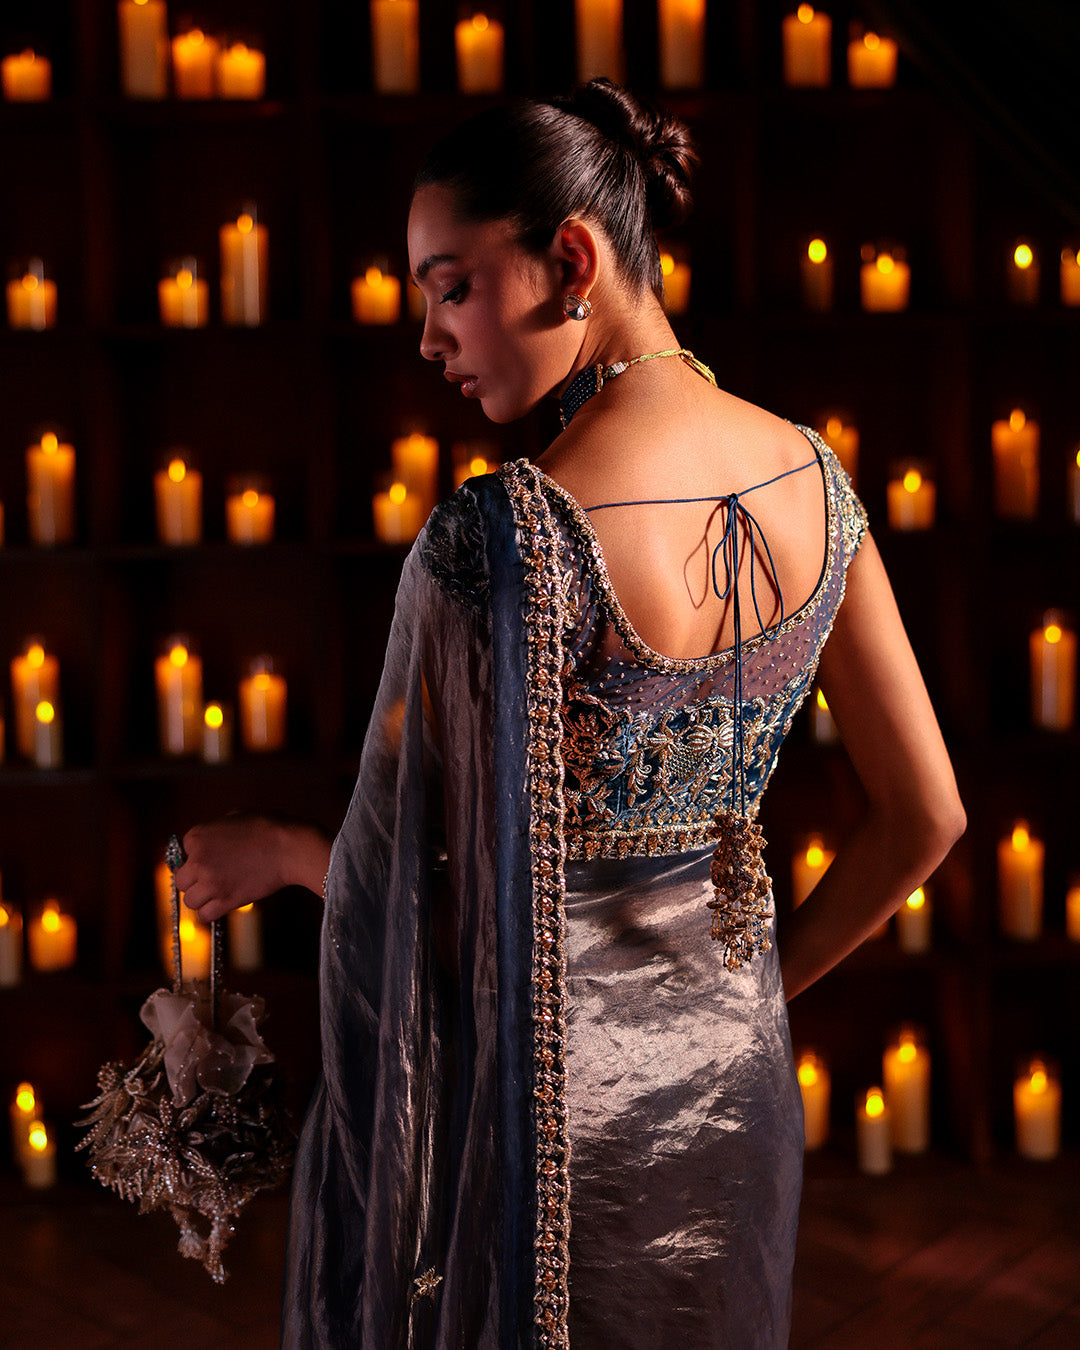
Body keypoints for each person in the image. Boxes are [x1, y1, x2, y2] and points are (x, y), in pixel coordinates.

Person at [176, 80, 965, 1348]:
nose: (429, 338)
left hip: (557, 1123)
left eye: (451, 288)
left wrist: (280, 852)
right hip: (739, 1091)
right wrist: (751, 1001)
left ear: (573, 261)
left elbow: (447, 914)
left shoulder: (504, 542)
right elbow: (928, 818)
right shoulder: (818, 480)